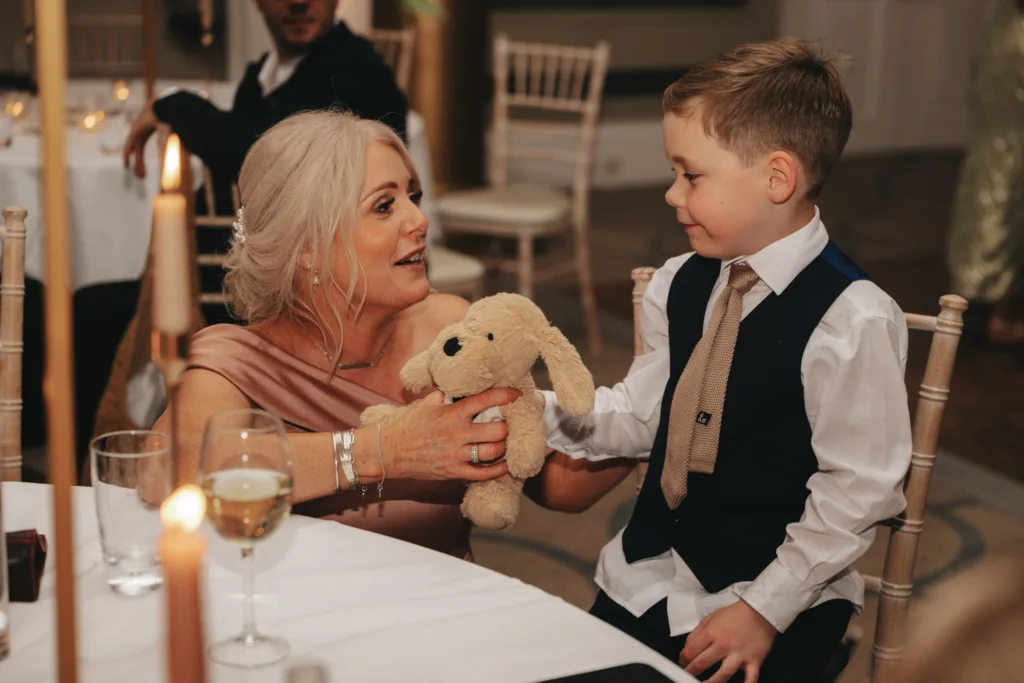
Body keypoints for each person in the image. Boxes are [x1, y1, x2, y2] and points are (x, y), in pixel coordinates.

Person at [534, 39, 912, 683]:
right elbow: (640, 417)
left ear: (776, 178)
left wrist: (761, 611)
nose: (671, 194)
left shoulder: (851, 320)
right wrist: (533, 410)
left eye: (691, 174)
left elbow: (858, 493)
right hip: (647, 572)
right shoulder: (678, 283)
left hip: (779, 596)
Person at [149, 110, 513, 559]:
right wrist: (387, 449)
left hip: (437, 614)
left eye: (412, 196)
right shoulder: (237, 361)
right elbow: (172, 467)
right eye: (384, 205)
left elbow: (557, 485)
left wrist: (622, 416)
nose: (419, 220)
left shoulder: (450, 330)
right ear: (308, 249)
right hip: (295, 615)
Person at [947, 0, 1024, 345]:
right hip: (1012, 145)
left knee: (983, 200)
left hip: (989, 139)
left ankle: (971, 307)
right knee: (1004, 201)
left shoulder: (1003, 26)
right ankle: (995, 312)